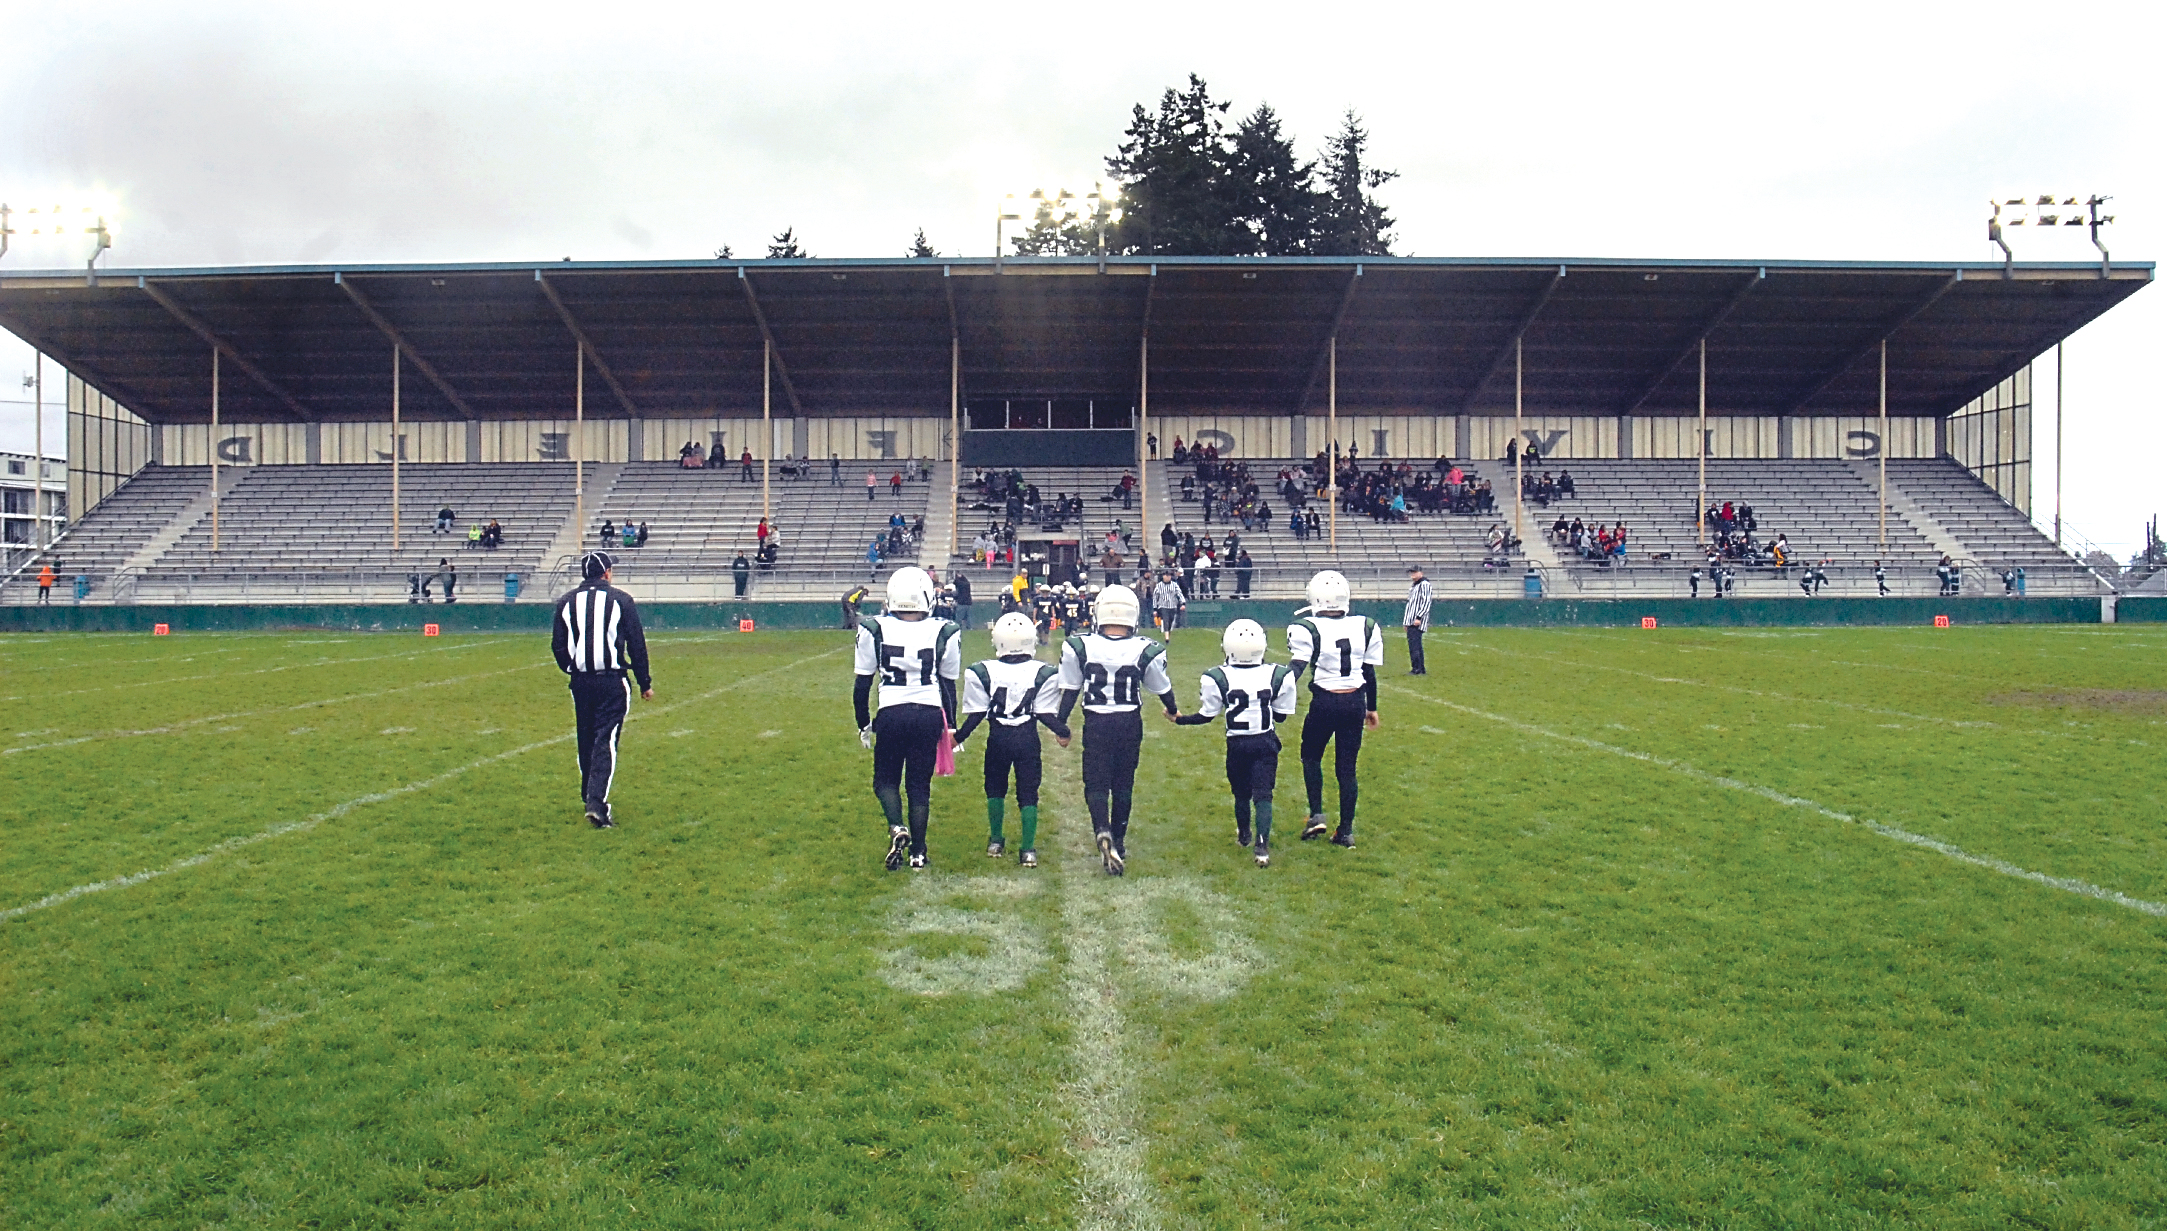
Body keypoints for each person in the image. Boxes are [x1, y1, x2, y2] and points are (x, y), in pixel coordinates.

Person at [1056, 584, 1180, 876]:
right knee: (1123, 784)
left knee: (1096, 783)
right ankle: (1120, 842)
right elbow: (1162, 688)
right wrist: (1173, 711)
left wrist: (1061, 726)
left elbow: (1071, 690)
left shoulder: (1080, 645)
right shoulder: (1145, 648)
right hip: (1128, 721)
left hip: (1096, 720)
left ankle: (1102, 830)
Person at [853, 566, 962, 871]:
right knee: (919, 786)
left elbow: (862, 686)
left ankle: (896, 826)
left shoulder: (873, 629)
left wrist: (864, 723)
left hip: (892, 712)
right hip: (928, 713)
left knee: (885, 780)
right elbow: (948, 684)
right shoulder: (945, 630)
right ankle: (919, 851)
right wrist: (951, 726)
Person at [1175, 620, 1298, 867]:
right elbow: (1282, 715)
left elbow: (1207, 715)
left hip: (1237, 744)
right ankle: (1262, 847)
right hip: (1265, 741)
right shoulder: (1279, 674)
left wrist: (1180, 720)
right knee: (1264, 795)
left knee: (1241, 793)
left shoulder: (1217, 676)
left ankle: (1244, 835)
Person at [954, 612, 1070, 868]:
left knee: (995, 788)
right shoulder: (1044, 673)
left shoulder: (982, 671)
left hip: (998, 737)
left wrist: (958, 737)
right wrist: (1063, 731)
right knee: (1028, 792)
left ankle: (996, 840)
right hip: (1027, 738)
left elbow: (976, 715)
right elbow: (1044, 714)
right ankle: (1027, 849)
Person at [551, 551, 654, 829]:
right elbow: (637, 644)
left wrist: (571, 669)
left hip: (581, 681)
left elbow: (558, 646)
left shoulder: (566, 602)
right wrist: (645, 682)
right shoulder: (621, 600)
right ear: (606, 572)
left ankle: (589, 793)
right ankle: (596, 802)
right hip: (611, 680)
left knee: (586, 736)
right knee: (605, 739)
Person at [1288, 569, 1382, 849]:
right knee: (1347, 769)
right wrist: (1372, 708)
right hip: (1355, 701)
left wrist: (1274, 691)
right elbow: (1369, 672)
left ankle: (1316, 813)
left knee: (1311, 756)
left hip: (1325, 701)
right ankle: (1347, 831)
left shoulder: (1307, 627)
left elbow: (1297, 668)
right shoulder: (1365, 625)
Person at [1403, 566, 1432, 675]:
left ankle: (1417, 668)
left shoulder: (1424, 585)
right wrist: (1406, 622)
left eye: (1415, 572)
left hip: (1416, 621)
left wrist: (1419, 617)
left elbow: (1426, 602)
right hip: (1411, 620)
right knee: (1415, 645)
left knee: (1415, 645)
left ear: (1421, 573)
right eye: (1411, 573)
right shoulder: (1415, 586)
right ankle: (1419, 667)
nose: (1412, 575)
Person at [1151, 572, 1184, 639]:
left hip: (1172, 605)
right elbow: (1155, 596)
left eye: (1169, 576)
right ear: (1163, 576)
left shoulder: (1174, 585)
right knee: (1166, 620)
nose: (1168, 577)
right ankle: (1167, 638)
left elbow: (1179, 593)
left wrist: (1182, 603)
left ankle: (1167, 632)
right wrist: (1155, 608)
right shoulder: (1159, 585)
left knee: (1170, 620)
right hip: (1163, 605)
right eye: (1167, 576)